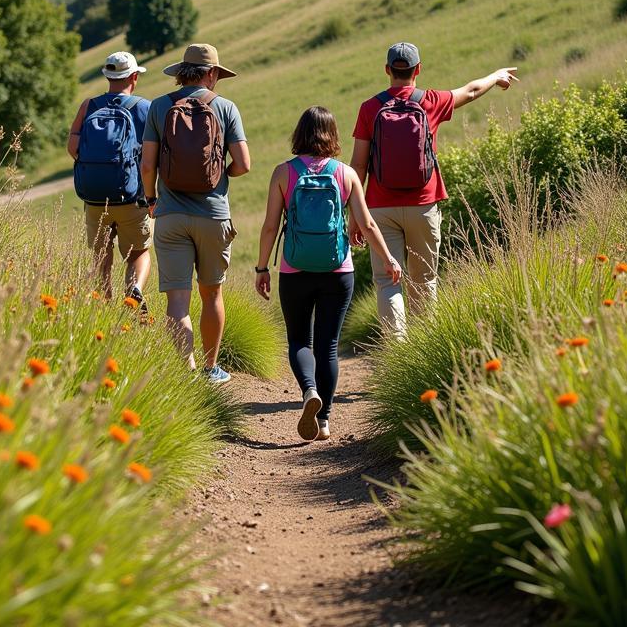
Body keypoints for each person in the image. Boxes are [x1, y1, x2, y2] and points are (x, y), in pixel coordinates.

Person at [351, 42, 518, 338]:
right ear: (418, 70)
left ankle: (397, 354)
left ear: (388, 71)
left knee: (388, 282)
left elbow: (358, 167)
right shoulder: (430, 101)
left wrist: (356, 217)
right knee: (425, 281)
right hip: (424, 205)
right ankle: (423, 349)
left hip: (380, 209)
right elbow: (472, 91)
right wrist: (497, 75)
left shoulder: (369, 108)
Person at [255, 106, 401, 442]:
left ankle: (309, 391)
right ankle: (323, 422)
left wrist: (262, 267)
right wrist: (390, 259)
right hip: (338, 270)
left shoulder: (283, 172)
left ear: (300, 134)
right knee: (329, 346)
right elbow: (366, 224)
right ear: (332, 135)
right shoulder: (346, 174)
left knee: (299, 341)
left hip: (295, 268)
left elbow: (269, 227)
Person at [141, 43, 251, 383]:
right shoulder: (226, 108)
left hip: (170, 216)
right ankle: (209, 368)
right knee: (212, 293)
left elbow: (147, 164)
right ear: (212, 74)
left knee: (177, 300)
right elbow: (244, 164)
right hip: (213, 216)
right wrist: (219, 176)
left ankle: (185, 374)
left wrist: (151, 199)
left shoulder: (160, 107)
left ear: (182, 72)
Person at [68, 51, 152, 305]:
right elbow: (152, 157)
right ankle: (134, 290)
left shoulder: (88, 106)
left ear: (107, 76)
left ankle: (103, 308)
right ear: (134, 77)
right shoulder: (144, 108)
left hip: (94, 198)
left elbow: (73, 148)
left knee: (101, 257)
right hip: (131, 197)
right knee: (139, 252)